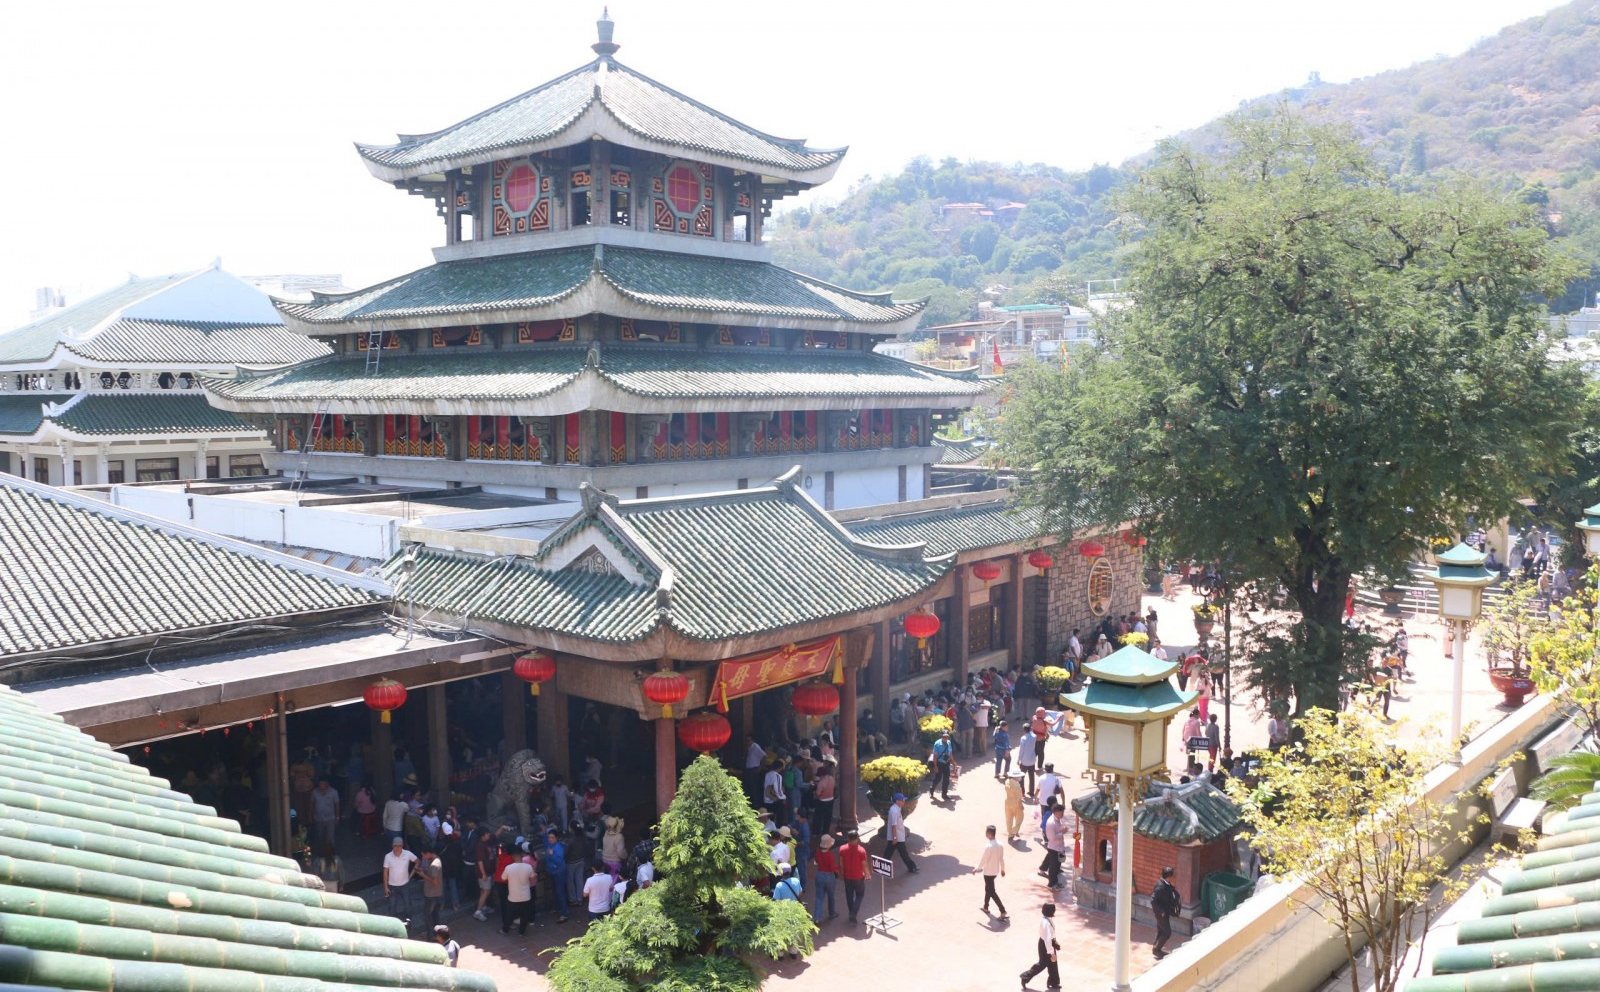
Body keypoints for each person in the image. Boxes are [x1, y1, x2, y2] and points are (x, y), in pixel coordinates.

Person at [1019, 903, 1061, 989]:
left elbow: (1051, 936)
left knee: (1053, 964)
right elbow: (1047, 940)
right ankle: (1025, 977)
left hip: (1048, 943)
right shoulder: (1046, 923)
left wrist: (1055, 942)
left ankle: (1053, 982)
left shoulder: (1047, 919)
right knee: (1042, 964)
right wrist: (1052, 952)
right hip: (1045, 945)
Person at [973, 824, 1008, 918]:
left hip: (988, 873)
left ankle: (1003, 911)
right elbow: (1001, 859)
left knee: (991, 891)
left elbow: (983, 860)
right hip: (995, 872)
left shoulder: (989, 846)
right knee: (988, 889)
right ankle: (986, 907)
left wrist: (977, 868)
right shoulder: (1000, 845)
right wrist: (1003, 869)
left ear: (989, 834)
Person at [382, 836, 418, 924]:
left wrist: (411, 875)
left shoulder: (407, 854)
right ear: (392, 846)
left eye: (398, 846)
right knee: (392, 906)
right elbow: (385, 872)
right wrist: (386, 887)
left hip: (405, 884)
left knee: (408, 904)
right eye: (395, 846)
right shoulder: (388, 856)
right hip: (392, 886)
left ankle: (408, 922)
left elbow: (417, 861)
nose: (396, 848)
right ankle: (392, 924)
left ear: (402, 846)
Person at [839, 829, 869, 923]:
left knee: (849, 895)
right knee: (860, 894)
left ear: (848, 838)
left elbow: (841, 863)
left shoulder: (842, 849)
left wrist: (841, 873)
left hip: (847, 876)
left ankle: (851, 911)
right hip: (858, 877)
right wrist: (867, 874)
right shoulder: (861, 851)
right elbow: (864, 865)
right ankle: (854, 912)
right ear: (858, 838)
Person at [883, 793, 918, 874]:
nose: (904, 801)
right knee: (903, 853)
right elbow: (894, 825)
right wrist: (895, 837)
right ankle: (912, 867)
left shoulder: (896, 809)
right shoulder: (894, 811)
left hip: (896, 837)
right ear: (897, 801)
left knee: (889, 853)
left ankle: (883, 867)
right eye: (902, 800)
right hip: (896, 837)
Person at [1152, 866, 1181, 959]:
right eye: (1173, 875)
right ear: (1169, 877)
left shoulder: (1166, 884)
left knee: (1161, 930)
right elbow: (1153, 901)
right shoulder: (1160, 887)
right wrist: (1161, 912)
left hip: (1165, 911)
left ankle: (1156, 948)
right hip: (1161, 913)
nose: (1175, 877)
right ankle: (1157, 949)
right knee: (1167, 932)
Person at [544, 828, 570, 923]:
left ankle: (564, 913)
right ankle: (557, 908)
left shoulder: (559, 847)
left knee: (560, 893)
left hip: (559, 872)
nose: (550, 839)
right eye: (549, 838)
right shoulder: (549, 845)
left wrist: (552, 855)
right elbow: (544, 838)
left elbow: (559, 860)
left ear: (557, 838)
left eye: (552, 838)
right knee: (555, 891)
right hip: (552, 872)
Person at [471, 827, 496, 921]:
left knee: (483, 890)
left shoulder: (487, 842)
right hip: (484, 872)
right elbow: (480, 861)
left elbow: (495, 835)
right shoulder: (480, 846)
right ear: (482, 836)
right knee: (487, 891)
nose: (488, 834)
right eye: (486, 833)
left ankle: (483, 907)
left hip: (489, 871)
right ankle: (478, 912)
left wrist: (502, 828)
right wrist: (483, 873)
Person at [812, 833, 839, 923]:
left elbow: (816, 862)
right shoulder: (830, 856)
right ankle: (832, 913)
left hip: (819, 875)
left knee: (819, 897)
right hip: (829, 876)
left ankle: (817, 917)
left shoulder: (818, 852)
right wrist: (838, 869)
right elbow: (832, 869)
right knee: (831, 896)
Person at [418, 844, 444, 930]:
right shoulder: (435, 859)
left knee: (428, 915)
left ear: (428, 853)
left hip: (431, 893)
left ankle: (430, 935)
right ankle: (438, 933)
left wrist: (423, 875)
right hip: (435, 893)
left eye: (424, 855)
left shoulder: (434, 864)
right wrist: (424, 871)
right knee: (435, 914)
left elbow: (434, 882)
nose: (424, 857)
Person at [1041, 801, 1067, 889]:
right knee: (1053, 867)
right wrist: (1062, 833)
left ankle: (1055, 882)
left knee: (1057, 866)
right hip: (1054, 848)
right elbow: (1051, 837)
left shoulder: (1057, 820)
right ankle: (1052, 884)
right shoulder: (1051, 822)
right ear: (1056, 812)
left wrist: (1062, 830)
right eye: (1061, 812)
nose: (1063, 814)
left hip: (1059, 847)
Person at [310, 779, 339, 849]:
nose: (321, 785)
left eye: (323, 783)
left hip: (330, 818)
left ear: (327, 784)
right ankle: (321, 851)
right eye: (320, 783)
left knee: (330, 837)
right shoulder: (314, 792)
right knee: (320, 836)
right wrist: (311, 816)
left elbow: (337, 804)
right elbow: (312, 804)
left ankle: (331, 852)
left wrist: (337, 817)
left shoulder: (334, 792)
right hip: (318, 818)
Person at [811, 761, 836, 838]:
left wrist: (814, 792)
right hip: (831, 799)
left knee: (818, 817)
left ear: (821, 775)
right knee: (827, 817)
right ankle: (825, 831)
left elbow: (818, 794)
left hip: (821, 801)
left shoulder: (821, 783)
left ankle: (815, 832)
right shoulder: (831, 778)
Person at [931, 729, 955, 802]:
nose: (945, 738)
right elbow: (935, 756)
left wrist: (954, 763)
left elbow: (950, 754)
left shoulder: (949, 742)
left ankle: (944, 794)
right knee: (938, 778)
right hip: (939, 763)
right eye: (944, 736)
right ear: (941, 736)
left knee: (946, 780)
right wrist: (935, 766)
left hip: (946, 763)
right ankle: (932, 788)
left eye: (947, 736)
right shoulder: (937, 744)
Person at [744, 735, 767, 805]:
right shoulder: (749, 747)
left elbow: (764, 756)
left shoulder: (755, 747)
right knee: (749, 787)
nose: (747, 742)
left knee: (754, 788)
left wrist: (760, 767)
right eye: (746, 741)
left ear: (752, 740)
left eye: (749, 741)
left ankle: (756, 805)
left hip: (754, 770)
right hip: (749, 770)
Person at [1017, 726, 1038, 800]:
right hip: (1032, 760)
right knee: (1031, 777)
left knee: (1021, 777)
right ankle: (1031, 792)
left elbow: (1021, 750)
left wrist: (1018, 759)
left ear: (1024, 730)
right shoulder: (1034, 736)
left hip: (1024, 761)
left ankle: (1022, 792)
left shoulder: (1023, 738)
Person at [1004, 771, 1026, 840]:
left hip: (1008, 802)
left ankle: (1010, 834)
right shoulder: (1017, 785)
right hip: (1016, 803)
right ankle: (1014, 831)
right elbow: (1018, 798)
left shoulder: (1007, 781)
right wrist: (1021, 805)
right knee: (1020, 818)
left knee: (1009, 819)